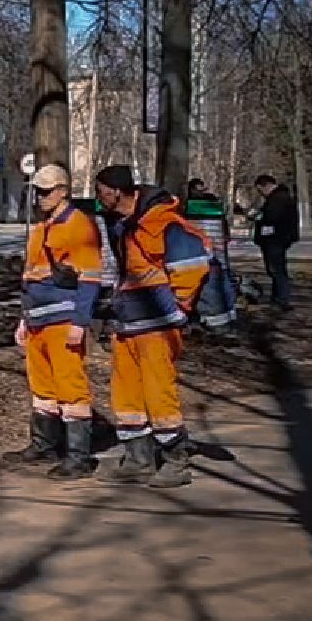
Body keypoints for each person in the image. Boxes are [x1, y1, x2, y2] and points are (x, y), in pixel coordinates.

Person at [93, 165, 215, 488]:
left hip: (158, 323)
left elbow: (192, 266)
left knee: (159, 392)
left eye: (100, 191)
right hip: (129, 321)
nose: (97, 197)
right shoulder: (121, 224)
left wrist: (178, 308)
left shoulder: (160, 220)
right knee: (126, 394)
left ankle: (176, 460)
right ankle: (138, 458)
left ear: (116, 192)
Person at [7, 164, 104, 481]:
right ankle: (44, 444)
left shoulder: (79, 226)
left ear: (64, 191)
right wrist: (25, 319)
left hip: (63, 319)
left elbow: (90, 278)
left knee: (70, 386)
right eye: (38, 190)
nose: (40, 196)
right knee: (43, 387)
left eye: (47, 191)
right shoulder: (41, 228)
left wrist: (80, 321)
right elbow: (30, 276)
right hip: (37, 319)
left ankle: (79, 456)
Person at [248, 174, 299, 310]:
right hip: (276, 239)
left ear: (265, 186)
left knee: (277, 270)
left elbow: (271, 217)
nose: (261, 194)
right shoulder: (279, 197)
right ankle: (277, 298)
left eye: (260, 190)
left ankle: (281, 300)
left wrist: (256, 216)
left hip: (275, 239)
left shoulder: (278, 199)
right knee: (275, 270)